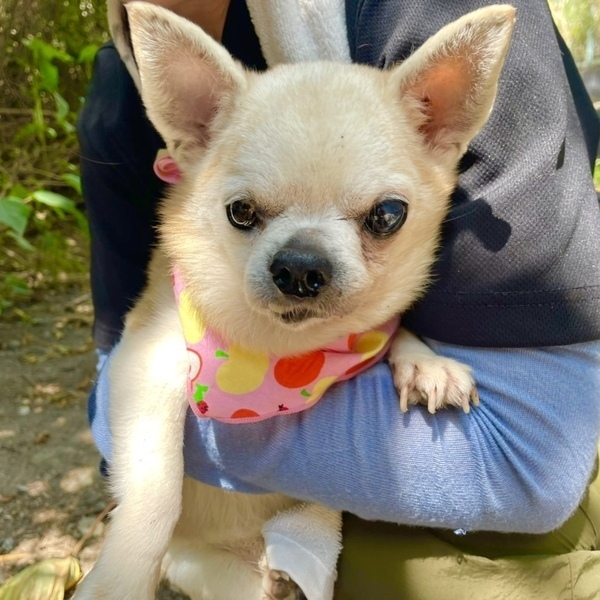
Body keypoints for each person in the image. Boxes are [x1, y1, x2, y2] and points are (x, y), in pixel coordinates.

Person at [78, 0, 600, 597]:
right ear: (188, 136)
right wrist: (137, 544)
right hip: (205, 543)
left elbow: (529, 464)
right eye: (246, 213)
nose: (302, 272)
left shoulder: (419, 13)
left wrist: (405, 344)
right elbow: (119, 381)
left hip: (336, 520)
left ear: (440, 130)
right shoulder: (120, 98)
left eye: (379, 218)